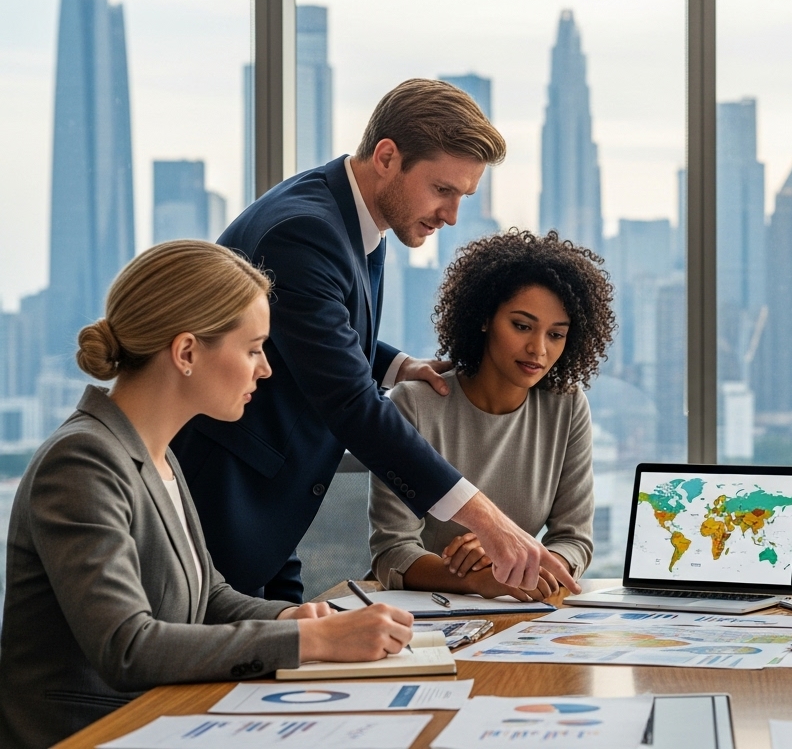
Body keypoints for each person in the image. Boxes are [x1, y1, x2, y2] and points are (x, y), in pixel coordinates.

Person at [171, 79, 579, 602]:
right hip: (224, 504)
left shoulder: (350, 216)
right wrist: (487, 519)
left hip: (268, 510)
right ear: (387, 156)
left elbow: (312, 327)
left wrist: (395, 364)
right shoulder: (305, 233)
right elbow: (350, 404)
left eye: (463, 196)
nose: (451, 215)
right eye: (442, 190)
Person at [0, 242, 415, 749]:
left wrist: (296, 618)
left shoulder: (160, 454)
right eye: (254, 348)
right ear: (187, 353)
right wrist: (311, 641)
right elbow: (127, 646)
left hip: (165, 718)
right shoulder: (82, 462)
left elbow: (209, 597)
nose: (265, 369)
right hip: (92, 735)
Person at [369, 229, 613, 600]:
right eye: (521, 326)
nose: (538, 349)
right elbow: (392, 553)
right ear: (484, 318)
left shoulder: (566, 405)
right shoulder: (413, 405)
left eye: (556, 335)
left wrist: (517, 565)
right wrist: (478, 578)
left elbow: (574, 539)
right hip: (425, 614)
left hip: (519, 608)